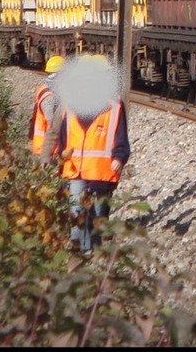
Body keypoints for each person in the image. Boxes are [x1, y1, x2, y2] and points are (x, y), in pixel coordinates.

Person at [57, 60, 130, 258]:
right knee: (76, 210)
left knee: (98, 215)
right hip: (75, 169)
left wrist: (119, 156)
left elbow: (120, 137)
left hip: (100, 171)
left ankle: (95, 251)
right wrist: (60, 159)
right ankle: (79, 250)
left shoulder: (114, 106)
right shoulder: (70, 105)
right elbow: (63, 136)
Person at [29, 55, 65, 165]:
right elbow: (52, 124)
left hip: (46, 147)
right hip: (45, 149)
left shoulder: (46, 89)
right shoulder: (49, 98)